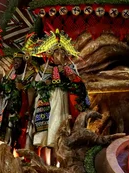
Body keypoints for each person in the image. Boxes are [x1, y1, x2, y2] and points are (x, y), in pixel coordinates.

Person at [28, 30, 88, 165]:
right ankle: (44, 163)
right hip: (47, 101)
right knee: (45, 134)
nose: (60, 55)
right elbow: (36, 84)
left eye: (62, 53)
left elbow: (78, 82)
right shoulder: (44, 68)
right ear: (51, 54)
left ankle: (60, 162)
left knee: (59, 130)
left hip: (62, 100)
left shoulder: (68, 68)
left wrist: (69, 75)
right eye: (57, 52)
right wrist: (44, 84)